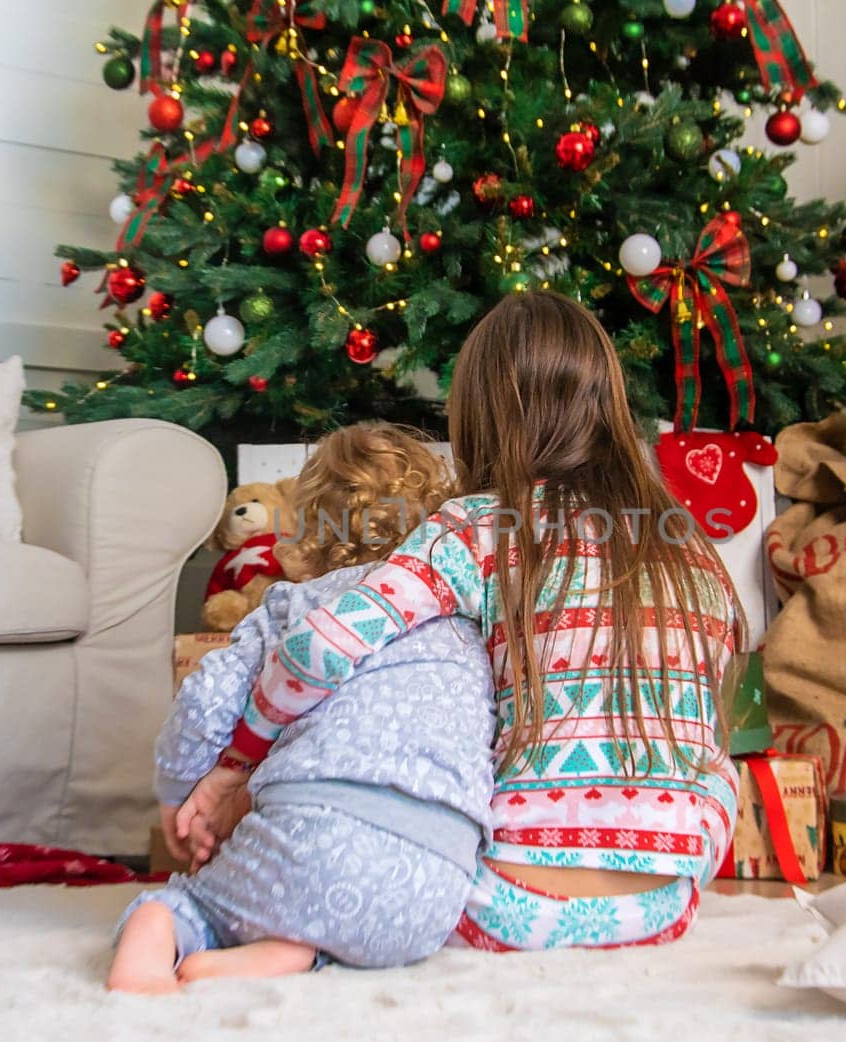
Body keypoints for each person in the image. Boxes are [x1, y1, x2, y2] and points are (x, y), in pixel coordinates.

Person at [210, 291, 745, 951]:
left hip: (496, 908)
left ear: (479, 417)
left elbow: (315, 651)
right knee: (718, 766)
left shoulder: (476, 527)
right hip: (665, 905)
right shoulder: (681, 542)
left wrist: (235, 763)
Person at [108, 423, 495, 992]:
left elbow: (207, 697)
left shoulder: (294, 602)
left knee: (185, 903)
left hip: (306, 839)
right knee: (332, 915)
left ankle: (160, 941)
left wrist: (179, 792)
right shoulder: (464, 620)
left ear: (308, 526)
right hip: (430, 895)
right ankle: (297, 951)